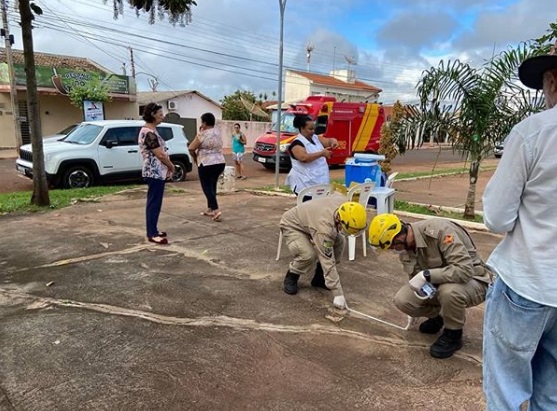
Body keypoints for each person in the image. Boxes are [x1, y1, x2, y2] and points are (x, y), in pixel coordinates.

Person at [482, 46, 557, 410]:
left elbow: (496, 218)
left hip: (527, 283)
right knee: (552, 396)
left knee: (505, 393)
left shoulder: (534, 132)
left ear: (553, 80)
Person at [368, 214, 491, 359]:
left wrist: (426, 275)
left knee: (449, 292)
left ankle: (453, 333)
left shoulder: (439, 231)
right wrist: (418, 298)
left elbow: (464, 270)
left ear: (398, 238)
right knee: (403, 300)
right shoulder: (406, 250)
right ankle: (439, 317)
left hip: (473, 280)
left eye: (392, 246)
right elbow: (417, 281)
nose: (393, 251)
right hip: (439, 283)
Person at [280, 195, 367, 309]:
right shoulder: (324, 229)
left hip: (311, 221)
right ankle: (292, 276)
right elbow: (327, 258)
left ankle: (319, 278)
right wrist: (338, 293)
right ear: (339, 220)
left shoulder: (347, 204)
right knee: (308, 255)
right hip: (292, 224)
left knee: (340, 242)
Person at [138, 102, 175, 245]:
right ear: (153, 114)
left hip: (157, 172)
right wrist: (172, 167)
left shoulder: (151, 131)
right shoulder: (148, 133)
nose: (162, 117)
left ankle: (154, 229)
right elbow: (160, 154)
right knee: (153, 202)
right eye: (160, 114)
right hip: (153, 172)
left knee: (156, 202)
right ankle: (151, 233)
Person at [285, 115, 339, 197]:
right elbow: (304, 158)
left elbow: (328, 141)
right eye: (310, 129)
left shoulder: (315, 138)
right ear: (302, 128)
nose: (313, 131)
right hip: (304, 185)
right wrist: (322, 153)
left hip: (319, 183)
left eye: (314, 129)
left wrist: (333, 141)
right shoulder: (296, 144)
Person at [188, 112, 226, 222]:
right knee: (212, 185)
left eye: (202, 122)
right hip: (219, 162)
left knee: (206, 187)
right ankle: (210, 208)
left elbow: (191, 148)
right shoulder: (218, 132)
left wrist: (195, 157)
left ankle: (215, 209)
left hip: (206, 163)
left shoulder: (202, 134)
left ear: (204, 123)